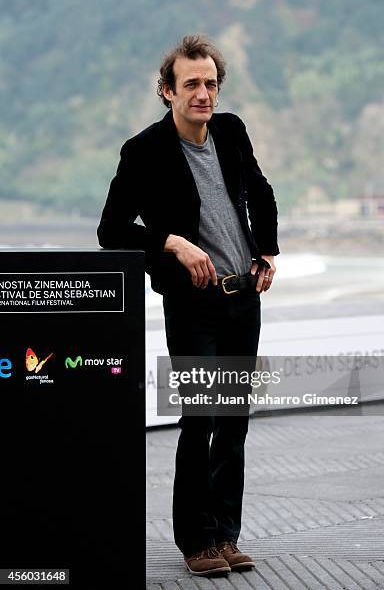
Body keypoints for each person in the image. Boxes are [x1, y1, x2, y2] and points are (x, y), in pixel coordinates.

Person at [97, 34, 279, 577]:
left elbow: (261, 190)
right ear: (167, 90)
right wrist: (170, 241)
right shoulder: (144, 150)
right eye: (191, 84)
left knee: (234, 421)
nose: (203, 94)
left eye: (210, 84)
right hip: (193, 306)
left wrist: (265, 248)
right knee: (200, 420)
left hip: (242, 299)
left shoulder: (232, 130)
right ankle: (195, 541)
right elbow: (110, 231)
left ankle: (225, 534)